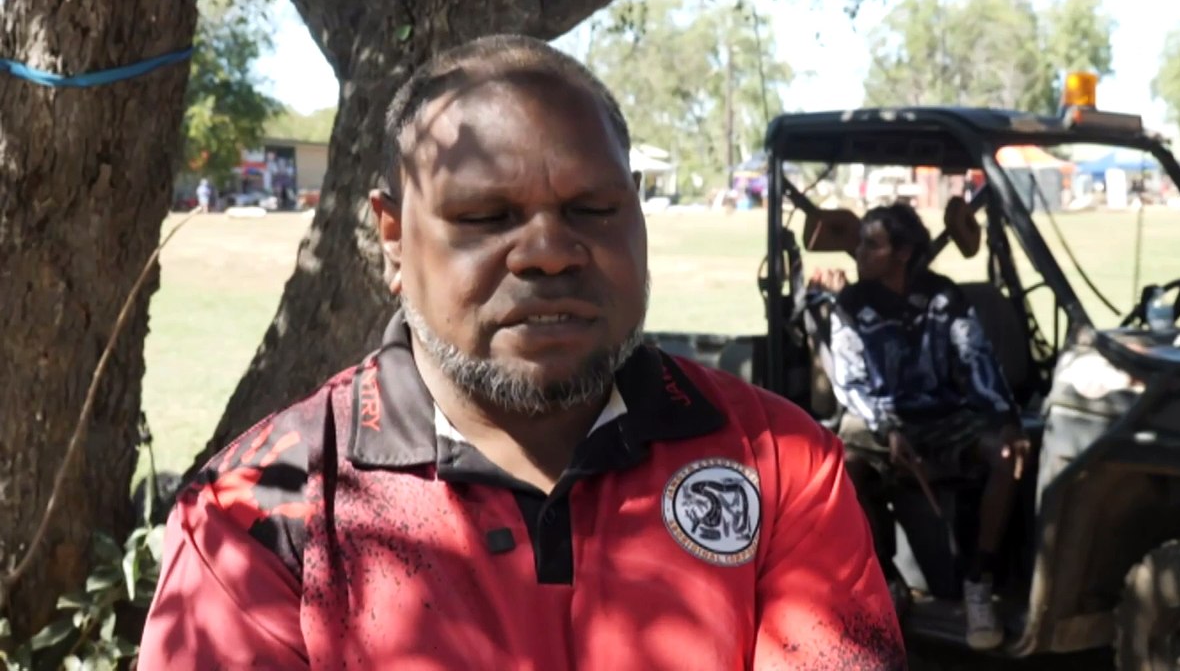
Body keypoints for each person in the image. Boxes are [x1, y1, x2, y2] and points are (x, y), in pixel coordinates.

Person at [138, 35, 905, 670]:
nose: (547, 251)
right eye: (486, 216)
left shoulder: (776, 461)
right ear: (394, 238)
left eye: (592, 208)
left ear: (635, 212)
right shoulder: (257, 512)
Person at [808, 203, 1029, 652]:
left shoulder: (943, 297)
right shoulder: (852, 304)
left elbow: (977, 360)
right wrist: (888, 428)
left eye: (872, 245)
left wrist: (1007, 421)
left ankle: (978, 582)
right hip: (878, 420)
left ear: (903, 252)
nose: (860, 253)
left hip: (945, 419)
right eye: (861, 243)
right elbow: (849, 382)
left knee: (1007, 455)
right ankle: (886, 580)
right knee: (842, 466)